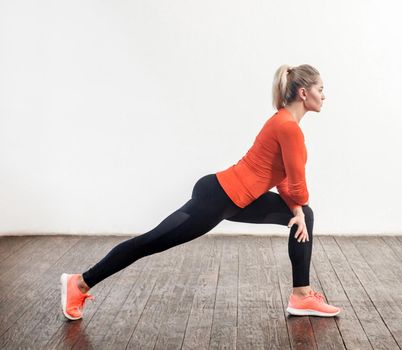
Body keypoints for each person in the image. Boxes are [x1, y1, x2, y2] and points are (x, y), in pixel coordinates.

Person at [61, 64, 341, 320]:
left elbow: (284, 179)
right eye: (321, 89)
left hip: (238, 198)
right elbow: (297, 184)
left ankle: (301, 296)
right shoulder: (288, 128)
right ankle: (79, 282)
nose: (324, 96)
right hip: (218, 198)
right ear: (304, 93)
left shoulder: (283, 122)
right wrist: (298, 205)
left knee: (306, 215)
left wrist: (297, 211)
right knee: (150, 242)